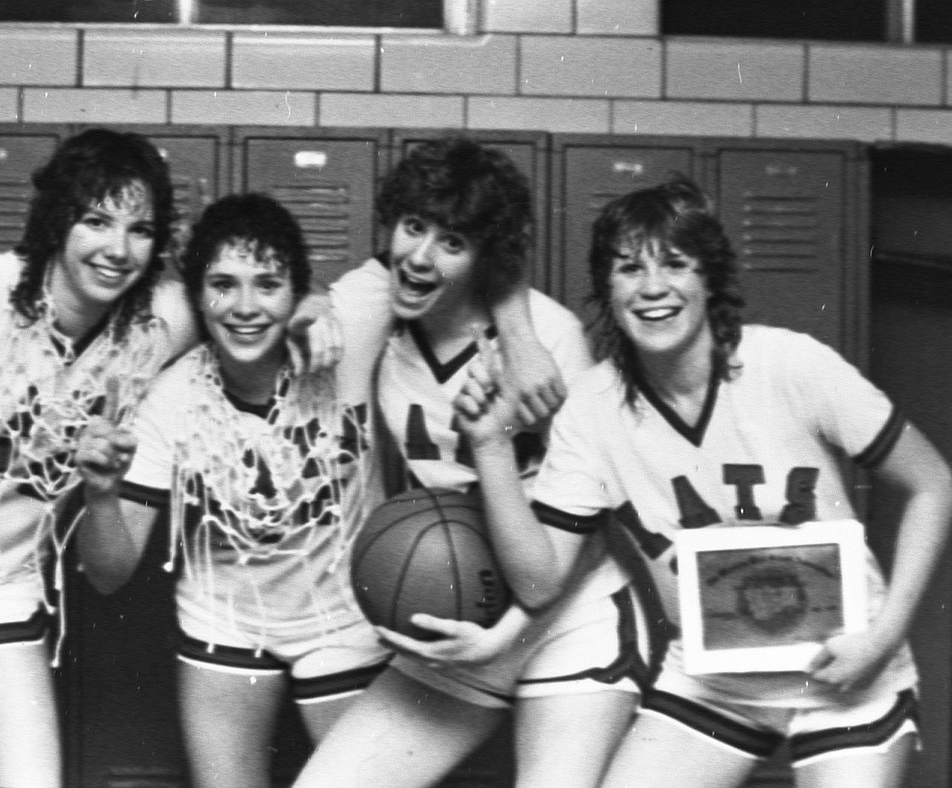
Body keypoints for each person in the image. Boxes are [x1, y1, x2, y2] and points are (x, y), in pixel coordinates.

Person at [0, 129, 339, 788]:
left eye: (139, 229)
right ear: (58, 222)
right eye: (96, 221)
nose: (117, 248)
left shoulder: (158, 322)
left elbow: (244, 304)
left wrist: (315, 303)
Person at [499, 176, 951, 788]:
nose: (652, 287)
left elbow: (933, 484)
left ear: (709, 279)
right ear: (607, 288)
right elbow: (539, 577)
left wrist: (886, 633)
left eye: (675, 264)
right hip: (716, 684)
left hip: (849, 668)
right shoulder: (592, 407)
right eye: (629, 268)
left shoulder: (789, 364)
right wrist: (485, 444)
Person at [293, 136, 648, 788]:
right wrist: (310, 309)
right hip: (460, 611)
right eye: (413, 228)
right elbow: (292, 304)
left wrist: (508, 635)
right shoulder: (379, 310)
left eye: (452, 243)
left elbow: (603, 521)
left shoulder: (546, 338)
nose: (420, 257)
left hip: (570, 615)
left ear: (488, 258)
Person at [74, 192, 392, 788]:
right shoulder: (170, 401)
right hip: (226, 623)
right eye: (223, 284)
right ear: (197, 297)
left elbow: (437, 255)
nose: (245, 307)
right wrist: (100, 496)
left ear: (299, 292)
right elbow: (108, 573)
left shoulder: (349, 332)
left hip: (341, 621)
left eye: (268, 285)